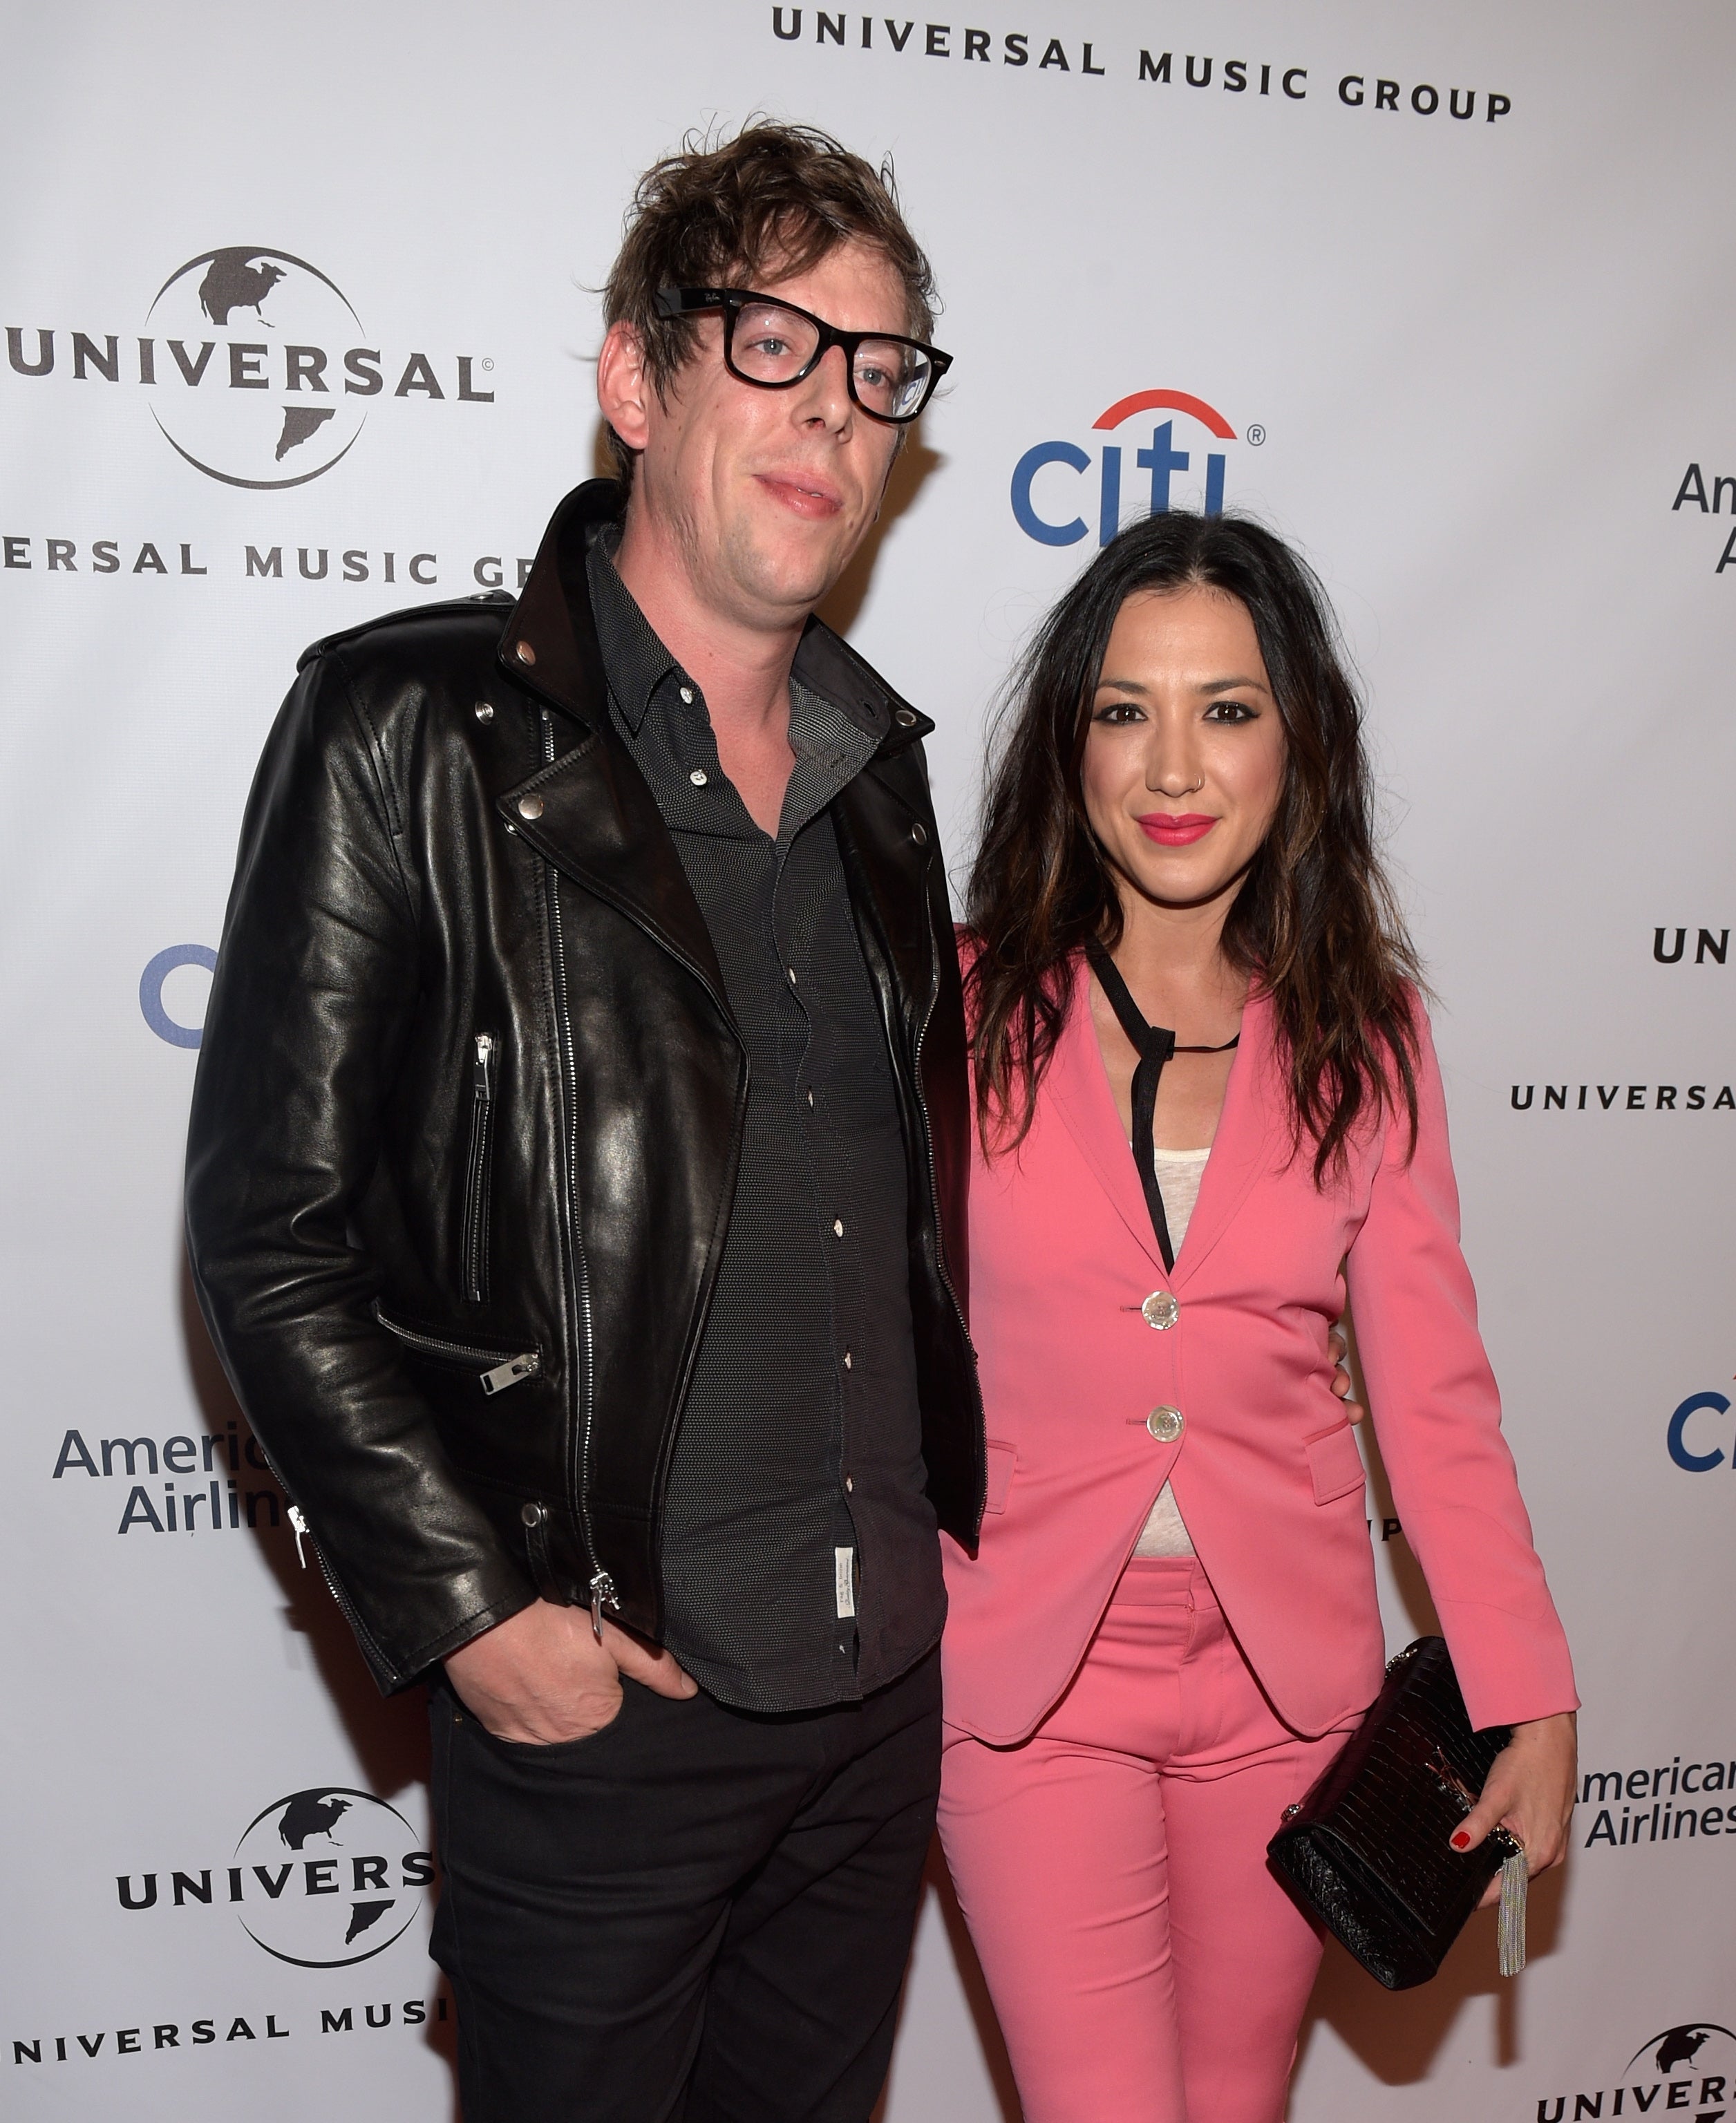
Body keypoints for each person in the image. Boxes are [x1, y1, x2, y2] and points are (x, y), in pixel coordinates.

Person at [184, 122, 983, 2122]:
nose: (837, 413)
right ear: (638, 378)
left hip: (876, 1703)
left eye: (882, 372)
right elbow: (273, 1238)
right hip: (600, 1713)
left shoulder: (886, 775)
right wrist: (471, 1612)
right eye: (778, 345)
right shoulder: (406, 729)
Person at [938, 511, 1578, 2123]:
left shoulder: (1371, 1032)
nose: (1173, 764)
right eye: (1123, 709)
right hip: (1028, 1694)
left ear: (1298, 745)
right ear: (1064, 744)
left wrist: (1526, 1686)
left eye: (1225, 709)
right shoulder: (949, 1010)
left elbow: (1431, 1394)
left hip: (1288, 1692)